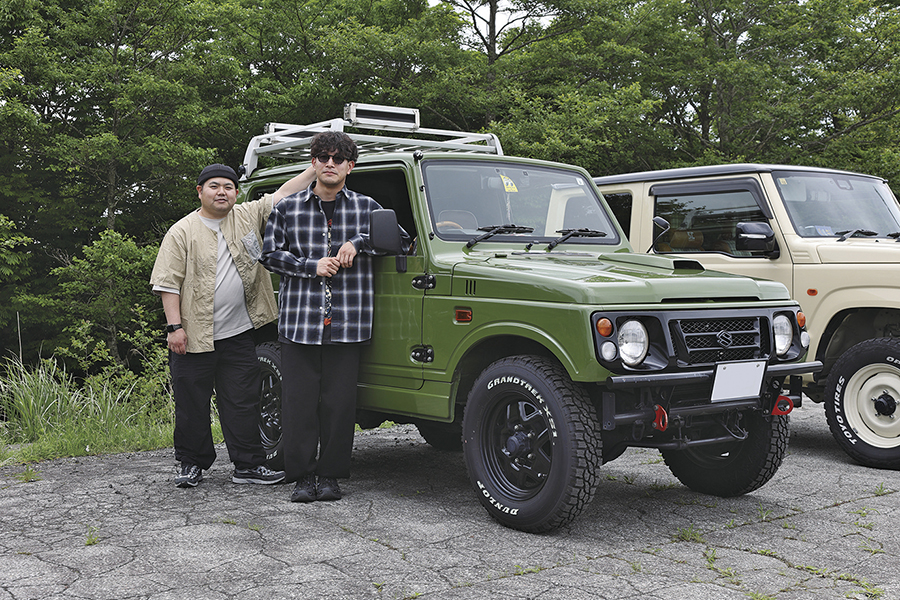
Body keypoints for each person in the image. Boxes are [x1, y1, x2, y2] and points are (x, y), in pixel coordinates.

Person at [259, 131, 409, 503]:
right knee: (299, 405)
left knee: (339, 407)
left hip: (348, 324)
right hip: (299, 324)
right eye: (323, 157)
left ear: (349, 167)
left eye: (338, 159)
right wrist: (310, 266)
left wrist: (358, 242)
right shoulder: (287, 208)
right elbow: (269, 255)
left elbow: (401, 240)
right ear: (313, 163)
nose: (330, 163)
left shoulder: (367, 207)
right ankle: (302, 477)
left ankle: (330, 477)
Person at [150, 163, 315, 488]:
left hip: (238, 335)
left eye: (228, 187)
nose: (221, 192)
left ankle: (248, 466)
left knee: (243, 402)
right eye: (214, 186)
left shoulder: (247, 216)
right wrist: (174, 328)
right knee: (192, 405)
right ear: (200, 191)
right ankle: (191, 464)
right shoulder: (182, 231)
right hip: (193, 337)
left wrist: (315, 166)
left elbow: (284, 193)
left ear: (236, 192)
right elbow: (168, 283)